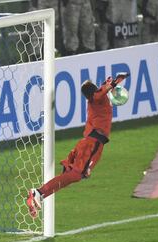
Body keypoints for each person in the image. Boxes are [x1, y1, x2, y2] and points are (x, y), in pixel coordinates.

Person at [26, 73, 129, 218]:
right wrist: (112, 84)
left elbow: (100, 92)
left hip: (92, 143)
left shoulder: (97, 100)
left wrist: (110, 83)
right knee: (74, 175)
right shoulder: (96, 99)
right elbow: (99, 94)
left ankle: (40, 194)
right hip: (92, 143)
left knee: (72, 176)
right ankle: (38, 192)